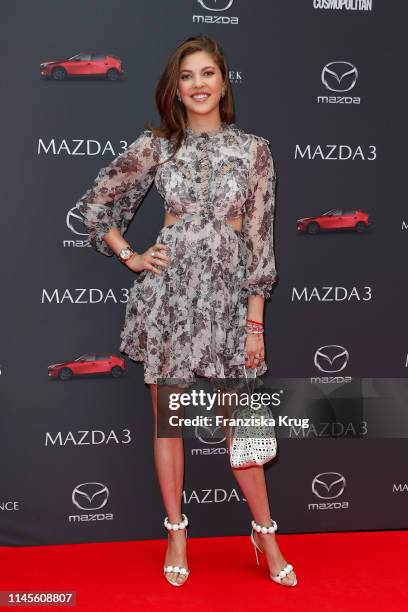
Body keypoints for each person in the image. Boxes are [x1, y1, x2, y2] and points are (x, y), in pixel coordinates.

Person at [75, 34, 297, 588]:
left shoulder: (254, 151)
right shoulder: (158, 146)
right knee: (169, 422)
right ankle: (176, 529)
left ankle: (265, 532)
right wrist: (130, 255)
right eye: (187, 76)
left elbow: (261, 242)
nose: (198, 84)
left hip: (227, 303)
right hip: (169, 298)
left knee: (240, 427)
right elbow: (95, 203)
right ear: (176, 88)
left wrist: (254, 322)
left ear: (224, 81)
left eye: (208, 73)